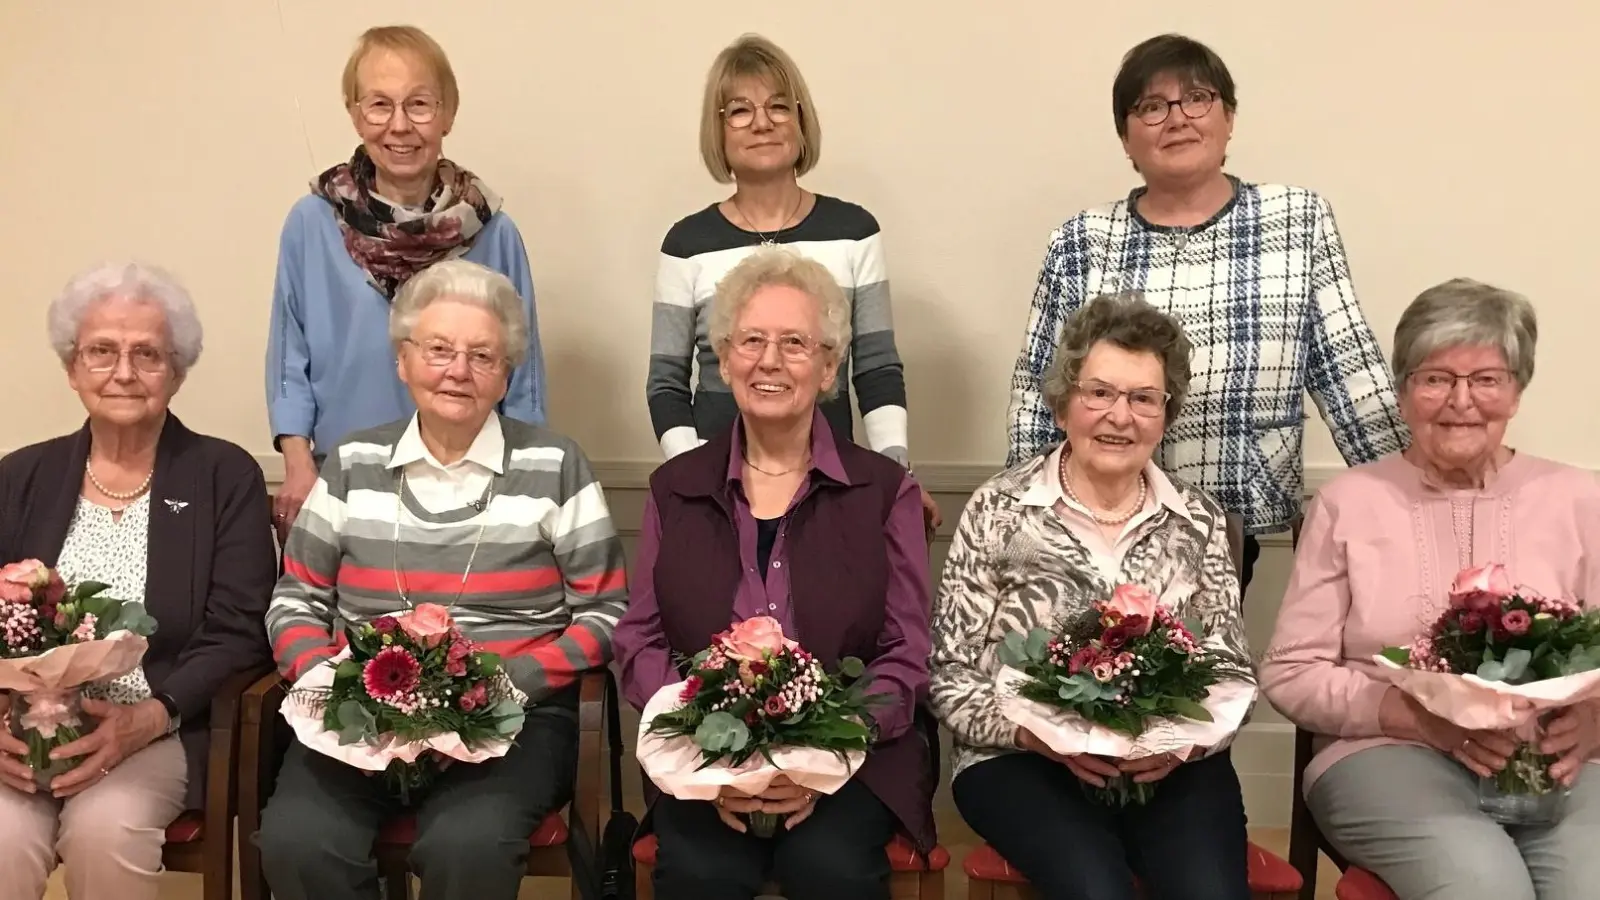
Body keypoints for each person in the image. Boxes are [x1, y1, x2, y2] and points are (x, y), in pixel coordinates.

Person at [257, 259, 627, 900]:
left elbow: (607, 612)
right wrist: (334, 686)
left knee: (468, 845)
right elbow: (296, 599)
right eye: (438, 350)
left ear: (506, 374)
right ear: (403, 360)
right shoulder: (352, 462)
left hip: (511, 718)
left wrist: (512, 682)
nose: (459, 370)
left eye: (482, 355)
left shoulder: (555, 464)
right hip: (360, 714)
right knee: (298, 841)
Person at [1004, 32, 1407, 592]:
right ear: (1125, 137)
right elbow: (1039, 389)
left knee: (1200, 651)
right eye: (1152, 107)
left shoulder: (1297, 219)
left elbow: (1350, 372)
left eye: (1197, 99)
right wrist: (1023, 515)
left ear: (1229, 117)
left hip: (1236, 508)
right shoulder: (1082, 239)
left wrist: (1412, 493)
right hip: (1099, 515)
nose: (1177, 119)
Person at [1261, 279, 1600, 899]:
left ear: (1517, 391)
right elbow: (1291, 672)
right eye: (1436, 378)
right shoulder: (1348, 503)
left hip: (1558, 765)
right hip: (1387, 756)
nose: (1460, 401)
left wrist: (1594, 722)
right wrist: (1415, 717)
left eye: (1487, 379)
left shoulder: (1582, 500)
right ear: (1403, 391)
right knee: (1483, 886)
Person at [616, 247, 934, 900]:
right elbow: (640, 638)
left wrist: (821, 755)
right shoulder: (674, 487)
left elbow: (907, 650)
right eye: (752, 340)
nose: (770, 360)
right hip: (704, 756)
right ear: (724, 358)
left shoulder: (884, 490)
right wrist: (705, 740)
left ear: (828, 366)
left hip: (853, 759)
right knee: (702, 874)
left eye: (794, 343)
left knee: (831, 869)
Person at [935, 293, 1252, 900]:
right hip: (1019, 761)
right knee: (1095, 889)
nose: (1120, 416)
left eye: (1143, 398)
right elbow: (949, 671)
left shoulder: (1199, 520)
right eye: (1099, 393)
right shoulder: (998, 509)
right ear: (1063, 405)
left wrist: (1186, 746)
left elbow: (1232, 668)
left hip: (1168, 763)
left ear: (1165, 414)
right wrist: (1033, 735)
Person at [0, 262, 277, 900]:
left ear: (176, 372)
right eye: (101, 351)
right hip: (23, 726)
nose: (123, 372)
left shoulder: (222, 475)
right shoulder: (22, 475)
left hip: (161, 724)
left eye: (147, 354)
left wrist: (148, 718)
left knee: (106, 831)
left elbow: (239, 629)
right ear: (71, 368)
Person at [646, 33, 939, 530]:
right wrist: (693, 479)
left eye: (779, 106)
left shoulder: (854, 232)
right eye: (740, 111)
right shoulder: (686, 244)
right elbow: (665, 383)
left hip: (832, 488)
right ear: (718, 130)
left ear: (801, 122)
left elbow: (877, 370)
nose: (762, 123)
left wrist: (895, 476)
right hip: (719, 495)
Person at [266, 24, 546, 540]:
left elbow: (523, 380)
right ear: (355, 114)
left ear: (448, 114)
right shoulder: (311, 223)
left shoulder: (493, 231)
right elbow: (289, 360)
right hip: (342, 480)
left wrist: (521, 486)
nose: (399, 126)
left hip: (470, 486)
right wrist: (298, 465)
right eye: (379, 105)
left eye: (419, 104)